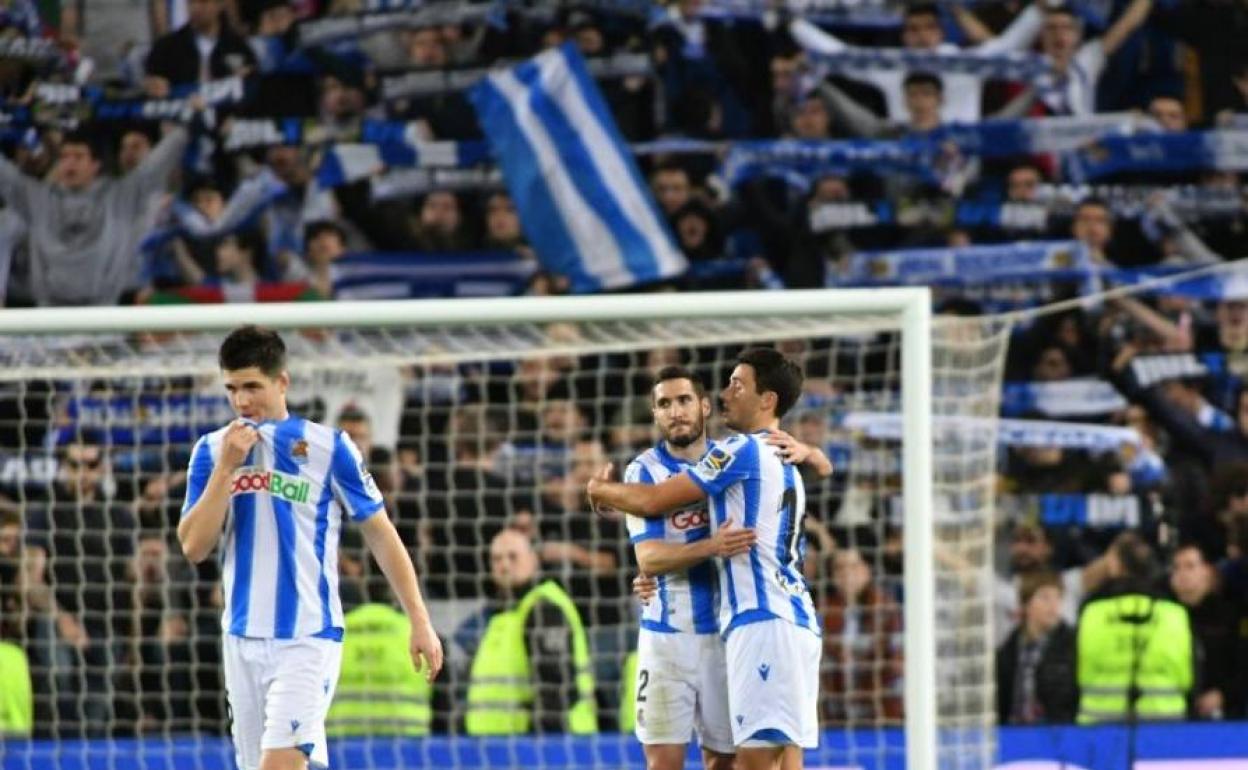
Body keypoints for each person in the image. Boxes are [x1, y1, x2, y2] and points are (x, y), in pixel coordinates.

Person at [177, 325, 442, 770]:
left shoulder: (328, 447)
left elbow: (381, 533)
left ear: (282, 383)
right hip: (240, 638)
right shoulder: (211, 451)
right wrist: (226, 471)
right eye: (233, 389)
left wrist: (420, 619)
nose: (242, 401)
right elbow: (193, 547)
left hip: (308, 636)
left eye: (252, 387)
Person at [589, 348, 820, 770]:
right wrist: (816, 455)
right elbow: (649, 557)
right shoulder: (646, 468)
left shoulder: (733, 452)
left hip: (744, 626)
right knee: (776, 752)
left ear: (703, 406)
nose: (675, 411)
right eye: (664, 403)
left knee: (748, 758)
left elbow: (655, 502)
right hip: (677, 632)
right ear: (654, 414)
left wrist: (598, 491)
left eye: (684, 400)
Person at [464, 528, 597, 735]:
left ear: (534, 559)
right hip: (498, 747)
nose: (504, 565)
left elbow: (555, 687)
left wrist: (541, 745)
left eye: (513, 557)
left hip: (546, 747)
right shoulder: (502, 615)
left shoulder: (544, 607)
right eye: (497, 559)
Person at [1076, 533, 1193, 723]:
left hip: (1099, 730)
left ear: (1115, 566)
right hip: (1165, 726)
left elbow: (1076, 672)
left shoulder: (1092, 613)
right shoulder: (1174, 614)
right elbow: (1188, 677)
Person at [995, 571, 1078, 725]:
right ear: (1026, 604)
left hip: (1056, 735)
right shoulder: (1007, 650)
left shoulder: (1072, 644)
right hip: (1013, 735)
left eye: (1058, 597)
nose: (1053, 605)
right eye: (1045, 597)